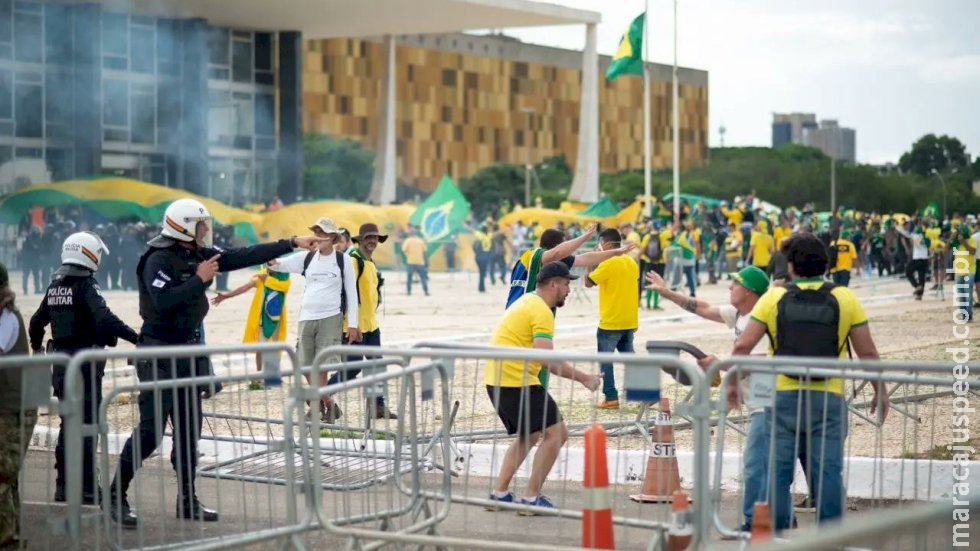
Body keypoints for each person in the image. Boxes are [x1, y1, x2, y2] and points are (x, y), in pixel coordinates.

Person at [107, 198, 324, 528]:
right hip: (159, 354)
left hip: (189, 354)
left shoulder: (197, 254)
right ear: (184, 227)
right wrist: (198, 279)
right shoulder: (157, 258)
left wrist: (292, 242)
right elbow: (162, 301)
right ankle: (115, 496)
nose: (205, 230)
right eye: (200, 225)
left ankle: (187, 499)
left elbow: (242, 255)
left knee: (188, 432)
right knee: (150, 433)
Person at [731, 233, 890, 531]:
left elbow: (742, 346)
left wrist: (730, 384)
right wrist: (880, 391)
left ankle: (777, 534)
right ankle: (830, 536)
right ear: (825, 264)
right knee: (828, 471)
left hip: (783, 397)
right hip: (828, 397)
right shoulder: (844, 297)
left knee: (778, 472)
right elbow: (867, 352)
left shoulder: (774, 298)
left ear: (791, 265)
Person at [647, 265, 771, 530]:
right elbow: (702, 308)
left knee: (755, 465)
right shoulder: (739, 314)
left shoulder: (760, 319)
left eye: (736, 284)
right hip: (760, 401)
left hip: (768, 402)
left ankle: (755, 523)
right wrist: (666, 292)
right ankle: (782, 514)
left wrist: (720, 364)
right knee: (775, 463)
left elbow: (757, 362)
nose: (730, 287)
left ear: (750, 292)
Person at [28, 232, 139, 504]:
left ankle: (63, 486)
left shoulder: (55, 286)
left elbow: (36, 322)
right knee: (89, 425)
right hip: (85, 368)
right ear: (89, 254)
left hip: (61, 366)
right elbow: (105, 318)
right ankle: (88, 488)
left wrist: (37, 348)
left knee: (68, 423)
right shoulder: (87, 285)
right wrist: (136, 338)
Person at [485, 262, 601, 512]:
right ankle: (530, 499)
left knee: (531, 434)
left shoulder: (528, 301)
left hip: (497, 379)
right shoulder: (541, 311)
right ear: (553, 284)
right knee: (557, 434)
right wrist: (584, 378)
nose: (569, 290)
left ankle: (499, 494)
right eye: (566, 284)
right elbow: (547, 359)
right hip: (515, 381)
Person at [269, 217, 360, 423]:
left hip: (331, 317)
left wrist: (353, 324)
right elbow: (278, 265)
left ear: (333, 237)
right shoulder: (306, 258)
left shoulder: (342, 260)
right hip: (306, 317)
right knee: (304, 364)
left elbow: (351, 293)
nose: (319, 236)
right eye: (316, 232)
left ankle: (317, 407)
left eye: (323, 233)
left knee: (322, 365)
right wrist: (270, 258)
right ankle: (328, 402)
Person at [327, 223, 396, 420]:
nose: (372, 241)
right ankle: (319, 395)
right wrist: (351, 324)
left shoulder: (369, 262)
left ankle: (377, 405)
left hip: (371, 324)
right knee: (352, 368)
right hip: (354, 326)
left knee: (376, 365)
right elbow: (346, 292)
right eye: (368, 238)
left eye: (375, 238)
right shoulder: (354, 261)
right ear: (360, 241)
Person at [0, 262, 36, 550]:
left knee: (2, 476)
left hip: (12, 412)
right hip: (10, 409)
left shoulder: (6, 316)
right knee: (6, 480)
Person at [585, 229, 639, 409]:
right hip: (629, 320)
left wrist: (590, 261)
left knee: (606, 361)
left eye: (600, 245)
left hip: (610, 322)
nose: (599, 248)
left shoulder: (607, 264)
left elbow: (588, 282)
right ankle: (646, 393)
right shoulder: (631, 262)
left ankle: (611, 397)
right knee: (631, 359)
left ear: (607, 245)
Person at [211, 264, 291, 374]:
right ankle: (259, 374)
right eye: (268, 265)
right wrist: (226, 296)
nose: (268, 267)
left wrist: (267, 280)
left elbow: (284, 287)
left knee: (276, 346)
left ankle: (273, 374)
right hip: (261, 318)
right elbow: (244, 287)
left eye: (271, 265)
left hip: (276, 318)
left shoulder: (283, 278)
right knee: (260, 346)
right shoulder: (261, 277)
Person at [948, 224, 977, 321]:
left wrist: (964, 243)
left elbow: (973, 252)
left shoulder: (972, 239)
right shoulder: (955, 242)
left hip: (970, 269)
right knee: (960, 293)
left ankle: (969, 315)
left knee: (968, 291)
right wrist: (951, 239)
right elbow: (946, 250)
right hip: (959, 270)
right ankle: (964, 315)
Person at [896, 223, 930, 299]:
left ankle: (916, 286)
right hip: (924, 259)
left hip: (917, 258)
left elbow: (906, 234)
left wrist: (898, 228)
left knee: (908, 271)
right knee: (921, 277)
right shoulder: (927, 237)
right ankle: (919, 295)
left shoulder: (916, 236)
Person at [401, 227, 429, 296]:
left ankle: (409, 291)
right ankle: (426, 291)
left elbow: (404, 250)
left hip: (410, 262)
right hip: (420, 262)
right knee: (423, 278)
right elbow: (424, 251)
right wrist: (425, 261)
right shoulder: (420, 241)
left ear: (409, 234)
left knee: (409, 278)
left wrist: (408, 254)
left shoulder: (408, 240)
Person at [20, 226, 43, 295]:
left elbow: (41, 249)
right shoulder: (28, 239)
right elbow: (24, 248)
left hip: (33, 260)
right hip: (29, 260)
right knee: (28, 275)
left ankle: (35, 289)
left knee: (34, 276)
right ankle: (27, 290)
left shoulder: (38, 238)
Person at [472, 224, 494, 293]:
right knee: (482, 273)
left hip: (478, 257)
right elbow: (497, 233)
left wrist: (465, 225)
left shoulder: (479, 236)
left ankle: (481, 288)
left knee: (482, 273)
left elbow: (472, 230)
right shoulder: (488, 236)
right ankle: (481, 288)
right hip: (484, 256)